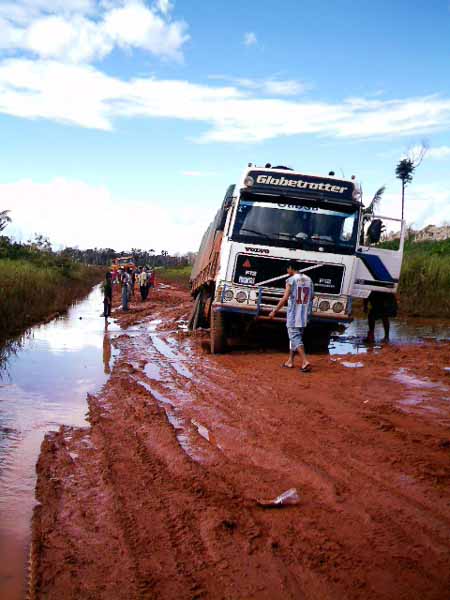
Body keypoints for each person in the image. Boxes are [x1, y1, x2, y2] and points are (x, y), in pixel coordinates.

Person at [269, 263, 314, 372]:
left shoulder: (291, 280)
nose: (287, 270)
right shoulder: (309, 279)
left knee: (295, 337)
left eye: (287, 268)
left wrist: (274, 311)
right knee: (295, 337)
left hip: (294, 314)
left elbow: (285, 298)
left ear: (290, 268)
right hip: (304, 314)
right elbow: (312, 296)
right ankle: (290, 361)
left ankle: (305, 361)